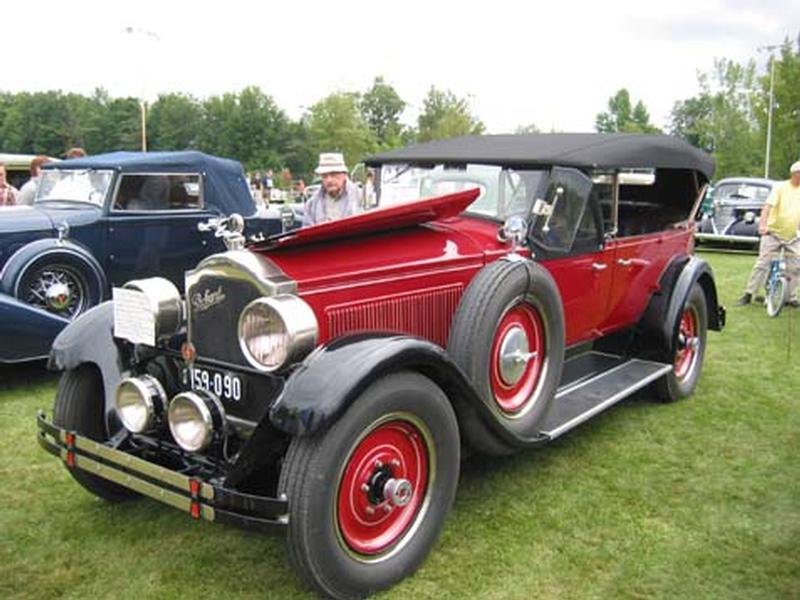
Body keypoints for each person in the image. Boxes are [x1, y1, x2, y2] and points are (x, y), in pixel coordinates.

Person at [737, 160, 800, 308]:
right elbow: (767, 207)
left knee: (796, 265)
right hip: (772, 233)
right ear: (795, 174)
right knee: (762, 263)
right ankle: (749, 293)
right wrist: (763, 225)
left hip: (792, 235)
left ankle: (791, 297)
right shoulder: (780, 188)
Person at [302, 153, 362, 226]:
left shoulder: (360, 197)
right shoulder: (312, 204)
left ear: (344, 174)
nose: (329, 180)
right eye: (324, 176)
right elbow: (307, 231)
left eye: (333, 174)